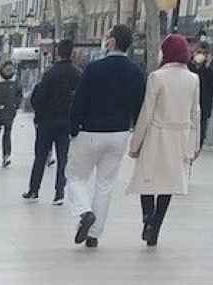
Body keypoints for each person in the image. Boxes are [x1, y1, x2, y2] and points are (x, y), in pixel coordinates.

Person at [65, 24, 146, 248]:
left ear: (111, 42)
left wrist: (73, 129)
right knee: (105, 184)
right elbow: (140, 108)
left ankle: (84, 212)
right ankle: (94, 234)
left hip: (90, 132)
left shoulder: (94, 69)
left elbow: (78, 101)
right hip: (119, 133)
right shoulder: (137, 73)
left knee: (75, 177)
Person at [128, 34, 201, 247]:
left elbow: (146, 112)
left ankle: (147, 218)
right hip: (180, 136)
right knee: (169, 182)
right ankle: (156, 225)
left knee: (147, 178)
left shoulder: (157, 77)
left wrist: (135, 144)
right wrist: (194, 145)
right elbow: (195, 112)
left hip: (156, 135)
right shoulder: (193, 79)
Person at [24, 40, 81, 203]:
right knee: (63, 158)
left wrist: (38, 115)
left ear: (58, 52)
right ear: (72, 52)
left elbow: (39, 96)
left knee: (40, 156)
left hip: (47, 121)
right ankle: (59, 193)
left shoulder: (50, 73)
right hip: (66, 122)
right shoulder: (77, 73)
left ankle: (34, 190)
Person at [189, 34, 213, 150]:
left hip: (204, 104)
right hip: (188, 103)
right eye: (199, 52)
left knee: (201, 132)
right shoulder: (190, 64)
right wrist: (193, 64)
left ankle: (197, 147)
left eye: (205, 53)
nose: (201, 55)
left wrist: (208, 66)